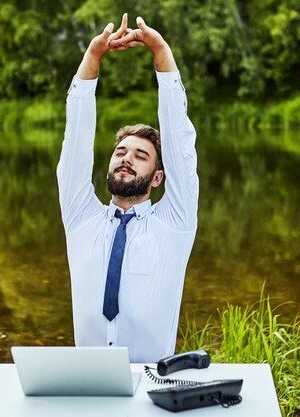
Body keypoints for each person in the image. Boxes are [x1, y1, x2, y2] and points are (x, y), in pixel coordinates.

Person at [56, 13, 199, 363]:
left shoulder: (175, 222)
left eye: (140, 155)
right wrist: (92, 60)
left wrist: (161, 55)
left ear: (157, 177)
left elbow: (179, 143)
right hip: (88, 383)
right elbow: (75, 142)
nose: (126, 159)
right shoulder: (80, 218)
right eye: (120, 152)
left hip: (153, 383)